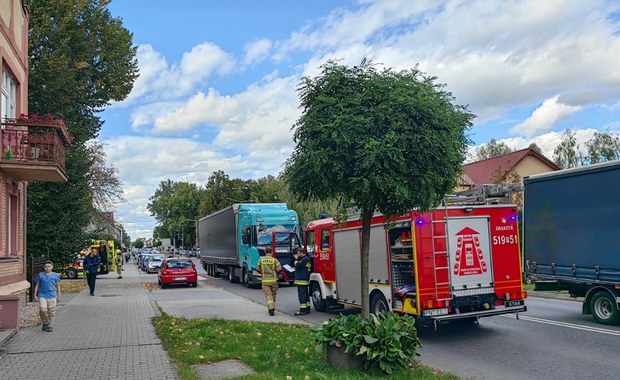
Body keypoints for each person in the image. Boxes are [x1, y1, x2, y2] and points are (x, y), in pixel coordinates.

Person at [33, 261, 61, 332]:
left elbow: (58, 285)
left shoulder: (55, 275)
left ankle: (50, 325)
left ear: (52, 267)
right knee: (43, 310)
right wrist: (35, 295)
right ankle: (45, 322)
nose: (47, 268)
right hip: (42, 295)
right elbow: (37, 285)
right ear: (44, 267)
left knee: (51, 311)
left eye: (49, 266)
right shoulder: (40, 275)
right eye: (46, 267)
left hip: (52, 295)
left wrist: (59, 295)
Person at [256, 247, 282, 316]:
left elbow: (257, 269)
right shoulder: (275, 260)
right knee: (273, 294)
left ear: (265, 252)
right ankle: (272, 307)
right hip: (273, 280)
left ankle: (271, 309)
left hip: (265, 281)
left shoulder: (261, 260)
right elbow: (279, 269)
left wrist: (262, 272)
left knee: (268, 295)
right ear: (272, 252)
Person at [294, 248, 312, 315]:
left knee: (302, 296)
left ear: (302, 253)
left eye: (298, 253)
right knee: (305, 295)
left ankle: (303, 311)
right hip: (304, 279)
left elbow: (297, 265)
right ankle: (307, 309)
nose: (297, 255)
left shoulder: (304, 259)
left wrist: (296, 260)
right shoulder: (306, 259)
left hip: (302, 280)